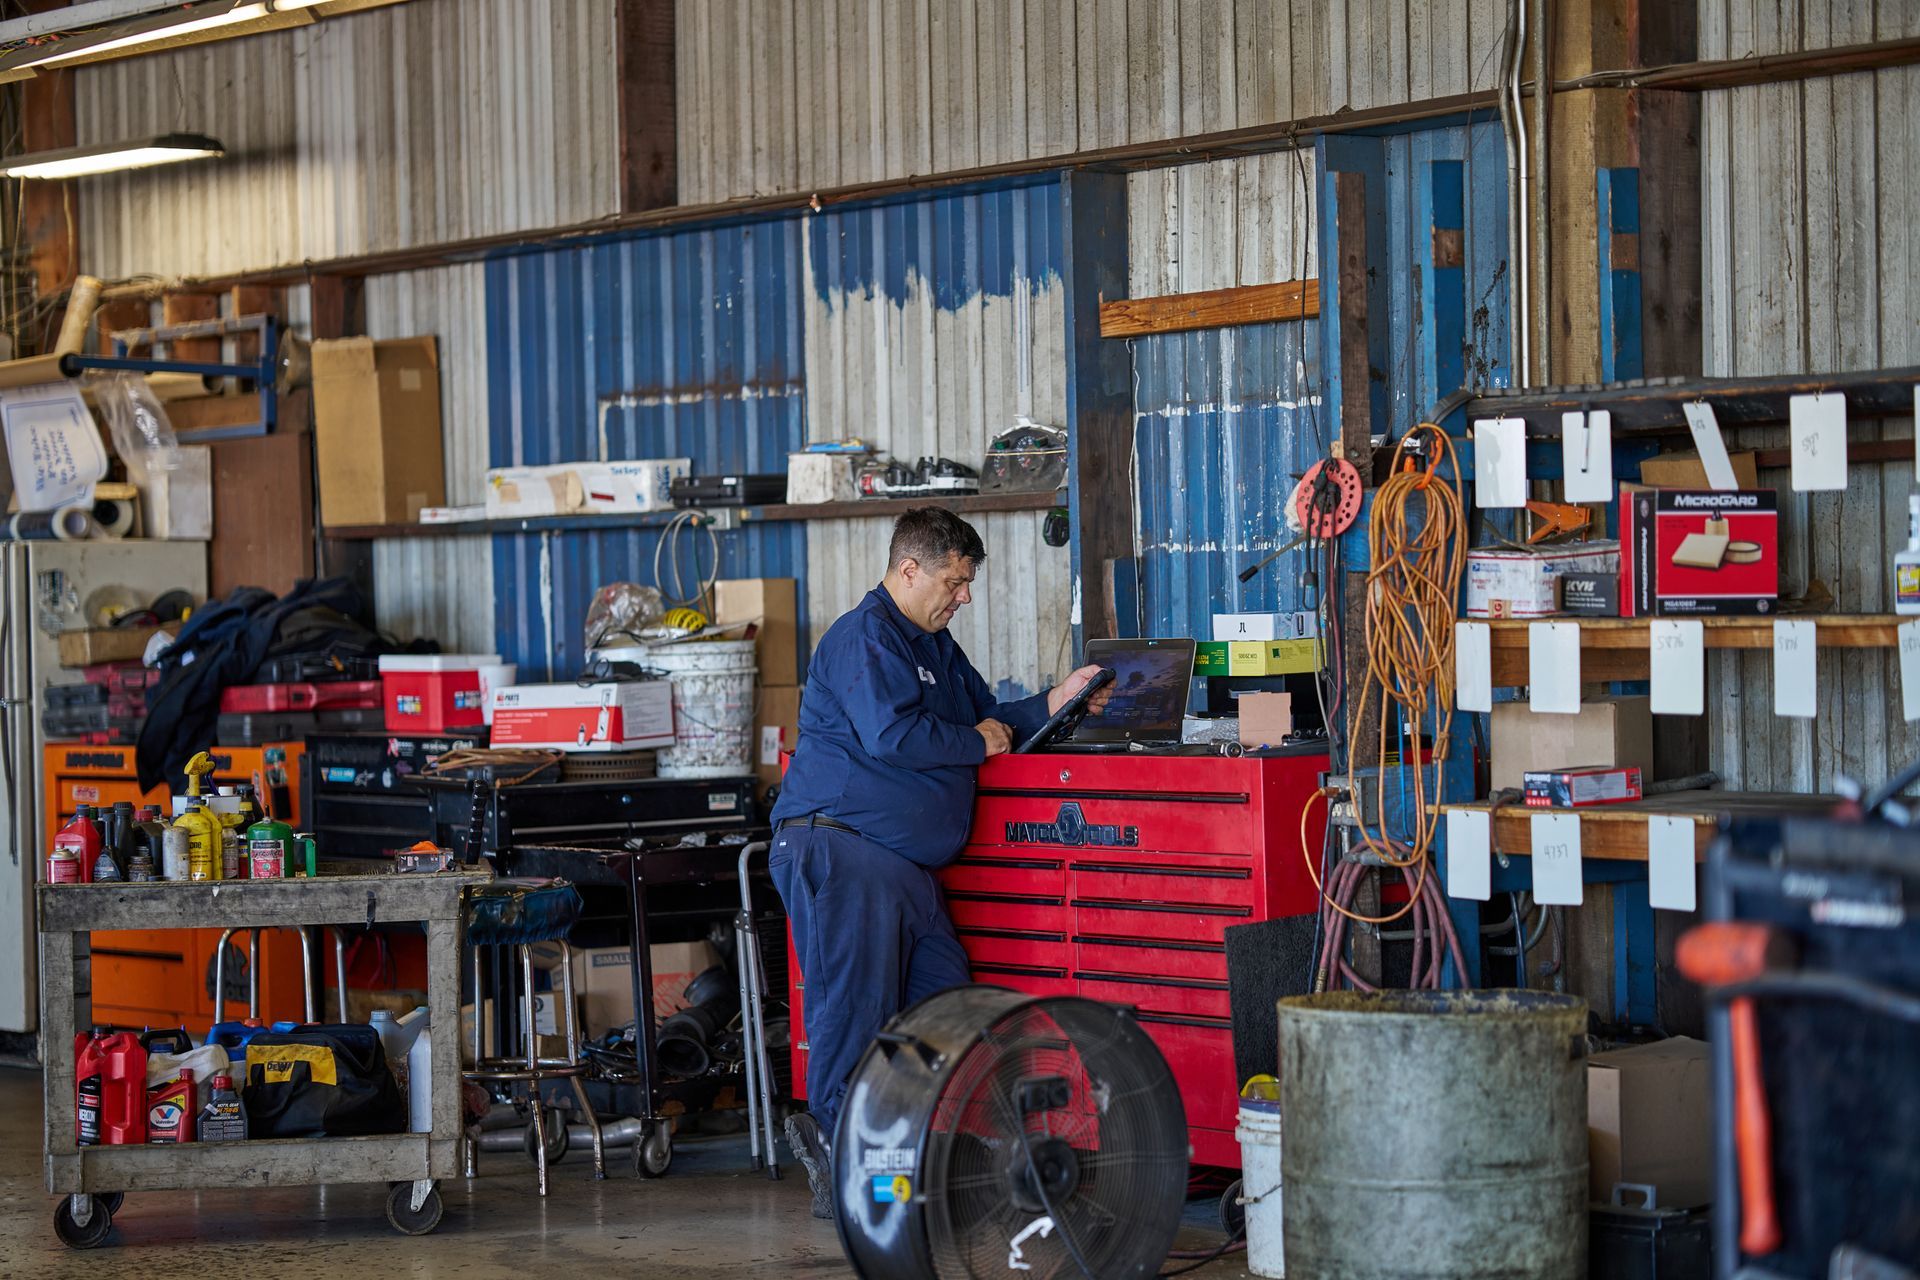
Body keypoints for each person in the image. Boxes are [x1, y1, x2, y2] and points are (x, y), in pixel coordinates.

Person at [770, 507, 1109, 1219]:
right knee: (854, 1015)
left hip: (905, 870)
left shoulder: (937, 646)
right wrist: (978, 740)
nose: (964, 595)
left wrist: (1056, 700)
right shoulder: (865, 637)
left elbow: (989, 720)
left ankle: (923, 1152)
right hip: (842, 849)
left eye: (969, 582)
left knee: (946, 1004)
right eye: (955, 581)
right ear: (908, 569)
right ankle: (844, 1167)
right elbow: (895, 735)